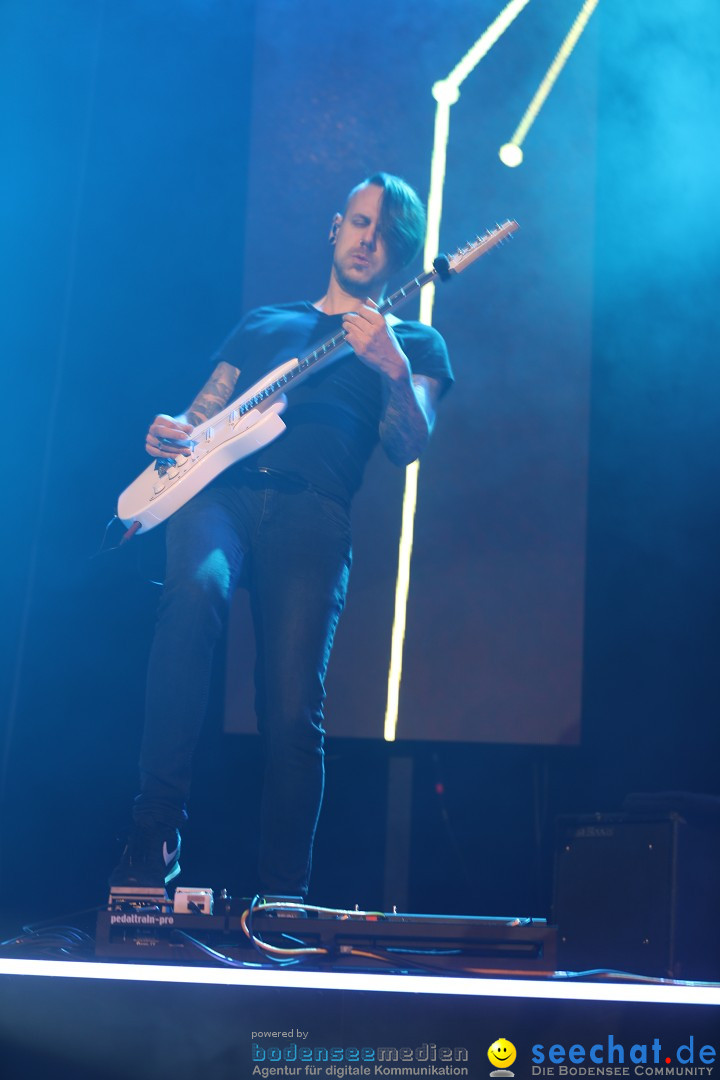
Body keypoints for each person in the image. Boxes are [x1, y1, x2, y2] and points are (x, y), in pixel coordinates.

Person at [110, 172, 453, 899]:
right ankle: (154, 831)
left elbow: (411, 442)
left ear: (401, 252)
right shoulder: (266, 322)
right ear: (336, 228)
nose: (368, 239)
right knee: (195, 592)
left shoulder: (414, 341)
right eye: (359, 222)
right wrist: (170, 432)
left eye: (385, 232)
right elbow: (200, 418)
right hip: (222, 497)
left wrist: (391, 367)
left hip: (313, 512)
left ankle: (283, 897)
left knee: (293, 703)